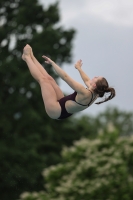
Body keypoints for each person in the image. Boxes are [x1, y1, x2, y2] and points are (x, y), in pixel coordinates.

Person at [22, 44, 115, 120]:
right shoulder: (96, 92)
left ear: (94, 84)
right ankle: (32, 56)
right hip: (63, 108)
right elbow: (87, 80)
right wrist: (79, 68)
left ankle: (26, 57)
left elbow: (65, 77)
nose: (94, 76)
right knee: (49, 79)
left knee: (43, 80)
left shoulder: (84, 92)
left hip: (55, 111)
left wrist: (52, 63)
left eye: (96, 77)